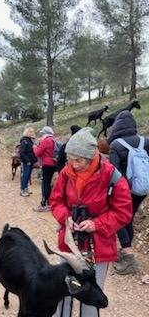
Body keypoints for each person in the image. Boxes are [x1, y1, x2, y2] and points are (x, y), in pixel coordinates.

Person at [50, 127, 133, 317]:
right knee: (63, 290)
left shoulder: (112, 177)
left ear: (91, 156)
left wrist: (96, 224)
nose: (73, 164)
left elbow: (123, 211)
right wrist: (66, 217)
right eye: (70, 159)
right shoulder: (66, 172)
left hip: (98, 246)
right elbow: (56, 201)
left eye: (78, 160)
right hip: (69, 243)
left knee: (90, 294)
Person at [108, 110, 149, 275]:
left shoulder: (116, 145)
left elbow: (114, 172)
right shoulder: (145, 141)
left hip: (125, 189)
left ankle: (129, 257)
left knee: (118, 219)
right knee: (128, 218)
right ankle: (126, 252)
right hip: (143, 188)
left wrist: (111, 192)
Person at [33, 126, 57, 212]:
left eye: (43, 133)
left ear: (45, 133)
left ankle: (44, 204)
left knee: (45, 184)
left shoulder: (46, 140)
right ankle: (49, 203)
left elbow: (38, 153)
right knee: (49, 184)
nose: (42, 134)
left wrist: (35, 147)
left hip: (47, 165)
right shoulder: (53, 140)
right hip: (54, 164)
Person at [19, 127, 37, 197]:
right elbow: (22, 153)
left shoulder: (30, 140)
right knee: (25, 175)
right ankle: (22, 190)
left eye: (32, 132)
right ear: (27, 132)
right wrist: (27, 161)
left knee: (28, 176)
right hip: (26, 162)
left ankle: (26, 188)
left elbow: (33, 150)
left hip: (31, 161)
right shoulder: (24, 141)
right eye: (30, 132)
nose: (32, 133)